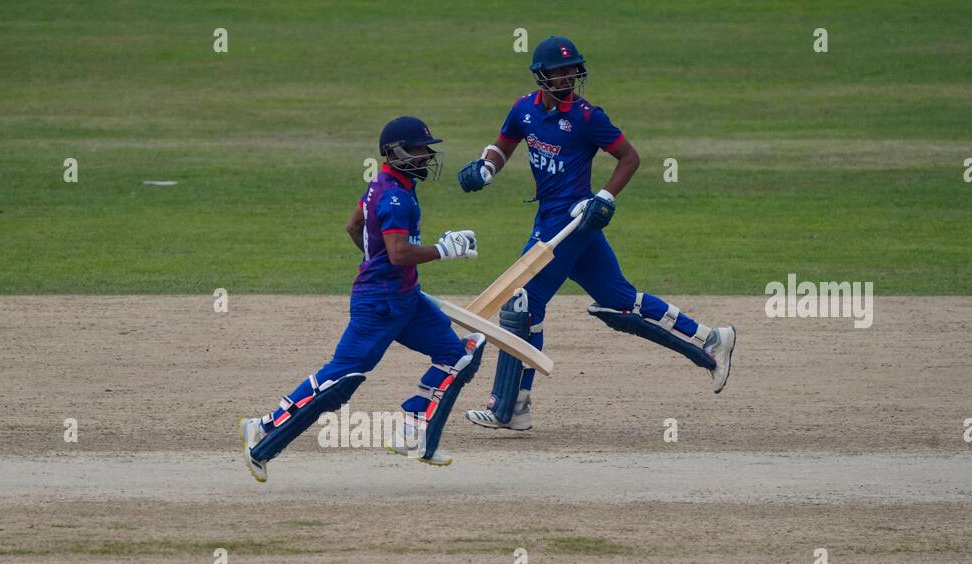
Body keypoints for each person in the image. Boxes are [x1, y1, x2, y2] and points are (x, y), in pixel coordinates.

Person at [456, 35, 736, 432]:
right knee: (619, 299)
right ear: (541, 76)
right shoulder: (524, 110)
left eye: (573, 70)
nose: (568, 77)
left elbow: (629, 157)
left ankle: (512, 406)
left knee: (522, 304)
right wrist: (486, 168)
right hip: (553, 220)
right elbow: (503, 144)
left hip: (570, 222)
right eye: (559, 71)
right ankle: (712, 338)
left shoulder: (587, 117)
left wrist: (604, 196)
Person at [239, 116, 486, 482]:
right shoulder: (396, 195)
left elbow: (355, 226)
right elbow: (400, 253)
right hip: (380, 305)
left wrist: (377, 262)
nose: (426, 157)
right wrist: (442, 250)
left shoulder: (384, 182)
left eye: (426, 150)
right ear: (395, 152)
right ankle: (263, 429)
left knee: (460, 354)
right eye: (419, 150)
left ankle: (413, 432)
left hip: (404, 298)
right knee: (343, 378)